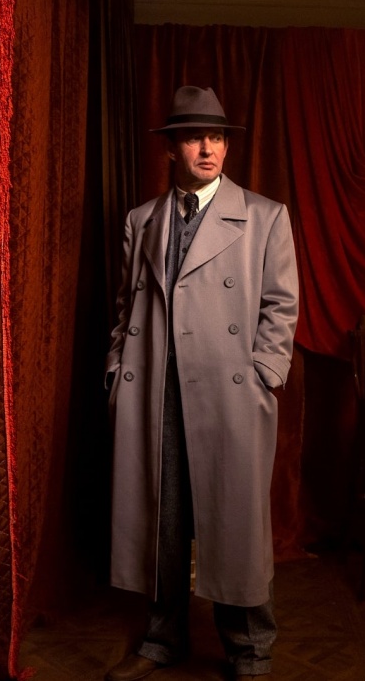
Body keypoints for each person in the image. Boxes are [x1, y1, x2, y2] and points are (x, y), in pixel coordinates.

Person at [103, 85, 299, 681]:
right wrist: (117, 370)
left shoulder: (265, 216)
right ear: (172, 149)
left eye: (216, 137)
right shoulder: (142, 220)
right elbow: (126, 305)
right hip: (155, 388)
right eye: (194, 138)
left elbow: (281, 305)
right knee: (161, 520)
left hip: (229, 391)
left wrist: (264, 375)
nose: (208, 149)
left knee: (235, 522)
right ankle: (162, 639)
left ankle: (249, 649)